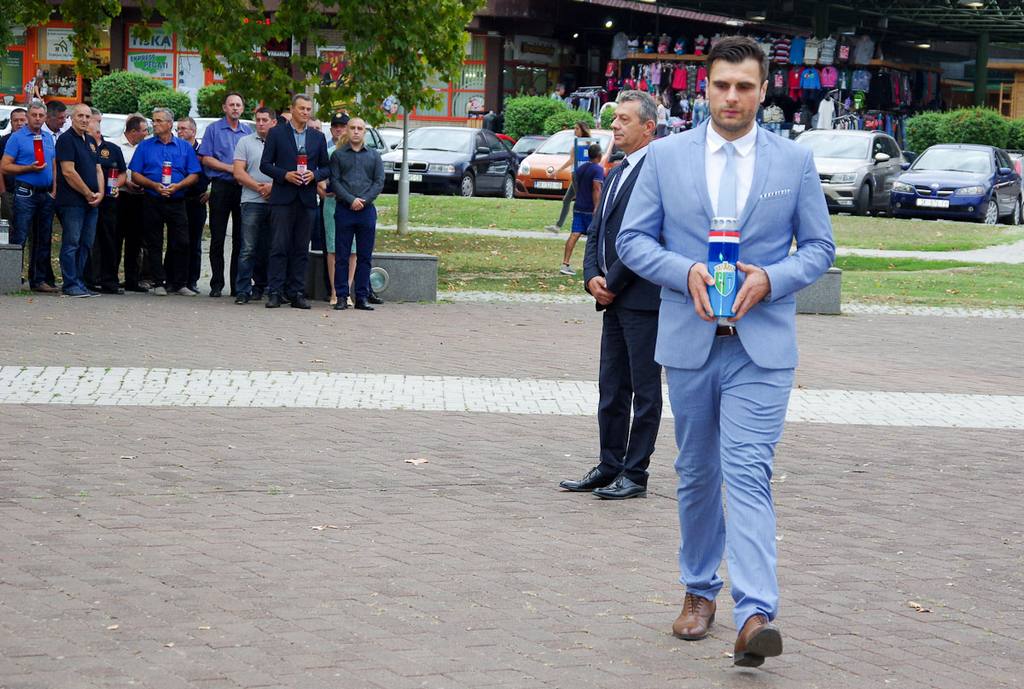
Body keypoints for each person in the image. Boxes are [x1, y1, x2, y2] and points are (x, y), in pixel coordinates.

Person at [615, 36, 835, 668]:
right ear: (704, 89)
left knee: (747, 471)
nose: (732, 97)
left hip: (760, 349)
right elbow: (632, 240)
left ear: (763, 91)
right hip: (691, 341)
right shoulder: (665, 157)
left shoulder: (793, 162)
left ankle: (756, 614)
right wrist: (683, 270)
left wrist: (773, 278)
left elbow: (819, 249)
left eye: (744, 86)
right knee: (696, 472)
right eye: (721, 85)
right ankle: (698, 590)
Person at [561, 90, 661, 500]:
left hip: (642, 300)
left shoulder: (657, 173)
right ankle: (609, 464)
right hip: (612, 298)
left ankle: (635, 473)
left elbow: (649, 237)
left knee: (644, 391)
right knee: (612, 388)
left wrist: (612, 283)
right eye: (615, 118)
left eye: (624, 119)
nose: (615, 126)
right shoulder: (616, 170)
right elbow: (596, 229)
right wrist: (591, 278)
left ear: (648, 127)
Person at [259, 93, 330, 309]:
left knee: (301, 248)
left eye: (308, 109)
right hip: (283, 198)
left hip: (307, 199)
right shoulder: (276, 133)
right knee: (279, 246)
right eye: (302, 108)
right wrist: (285, 175)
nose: (306, 112)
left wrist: (314, 175)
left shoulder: (317, 137)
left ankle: (297, 292)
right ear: (292, 109)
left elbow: (327, 167)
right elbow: (265, 164)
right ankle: (275, 291)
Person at [128, 107, 201, 296]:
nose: (154, 124)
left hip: (177, 200)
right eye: (153, 120)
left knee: (182, 241)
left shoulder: (184, 147)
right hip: (152, 199)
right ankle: (158, 281)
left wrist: (179, 186)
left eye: (159, 121)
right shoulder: (145, 146)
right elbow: (135, 174)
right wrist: (153, 185)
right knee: (154, 242)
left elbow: (194, 174)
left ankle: (179, 282)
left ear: (170, 124)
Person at [197, 92, 251, 297]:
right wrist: (231, 168)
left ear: (242, 108)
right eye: (231, 104)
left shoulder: (247, 131)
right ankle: (216, 283)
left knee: (240, 238)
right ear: (224, 108)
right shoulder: (213, 129)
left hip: (242, 188)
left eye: (238, 105)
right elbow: (206, 158)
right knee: (218, 237)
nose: (235, 108)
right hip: (221, 186)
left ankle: (237, 285)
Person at [0, 100, 57, 292]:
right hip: (25, 193)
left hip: (45, 194)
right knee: (20, 235)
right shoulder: (17, 138)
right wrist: (28, 168)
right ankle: (12, 279)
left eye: (41, 115)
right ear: (28, 116)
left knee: (43, 237)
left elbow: (53, 164)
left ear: (45, 117)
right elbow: (5, 166)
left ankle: (38, 280)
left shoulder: (48, 137)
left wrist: (54, 190)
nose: (38, 119)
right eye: (34, 115)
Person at [329, 116, 384, 311]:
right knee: (342, 256)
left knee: (364, 256)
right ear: (347, 130)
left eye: (360, 128)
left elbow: (379, 182)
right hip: (345, 209)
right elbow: (335, 181)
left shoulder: (374, 156)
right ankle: (341, 296)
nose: (356, 131)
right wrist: (351, 200)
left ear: (365, 132)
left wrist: (364, 200)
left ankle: (362, 297)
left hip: (366, 211)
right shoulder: (338, 155)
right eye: (352, 128)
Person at [54, 103, 103, 297]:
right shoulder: (66, 140)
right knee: (72, 243)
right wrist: (87, 192)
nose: (84, 120)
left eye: (87, 116)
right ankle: (70, 283)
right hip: (72, 202)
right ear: (71, 118)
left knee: (86, 243)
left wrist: (100, 193)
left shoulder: (90, 140)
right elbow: (68, 172)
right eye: (80, 116)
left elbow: (98, 169)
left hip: (92, 202)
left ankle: (79, 282)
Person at [232, 106, 276, 304]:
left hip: (276, 201)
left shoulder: (282, 142)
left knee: (271, 247)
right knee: (248, 248)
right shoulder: (245, 142)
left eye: (264, 120)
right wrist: (260, 188)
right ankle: (243, 290)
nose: (260, 123)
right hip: (251, 201)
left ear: (273, 122)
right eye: (258, 120)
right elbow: (238, 172)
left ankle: (265, 287)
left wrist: (273, 187)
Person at [86, 108, 127, 294]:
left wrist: (115, 186)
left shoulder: (112, 149)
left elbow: (123, 173)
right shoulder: (83, 148)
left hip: (109, 202)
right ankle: (89, 279)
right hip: (88, 199)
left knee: (109, 240)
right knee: (89, 240)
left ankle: (109, 280)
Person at [176, 117, 210, 295]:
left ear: (193, 131)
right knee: (177, 241)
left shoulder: (203, 151)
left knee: (194, 242)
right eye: (178, 129)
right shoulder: (176, 149)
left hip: (197, 200)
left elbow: (213, 172)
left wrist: (211, 190)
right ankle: (175, 278)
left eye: (183, 128)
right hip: (177, 199)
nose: (180, 132)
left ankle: (192, 280)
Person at [559, 142, 603, 275]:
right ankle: (593, 265)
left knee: (574, 234)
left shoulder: (581, 168)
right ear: (599, 156)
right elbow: (596, 188)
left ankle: (565, 263)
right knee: (594, 237)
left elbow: (575, 182)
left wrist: (579, 195)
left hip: (578, 206)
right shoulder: (597, 169)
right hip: (590, 208)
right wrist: (597, 207)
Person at [117, 115, 150, 292]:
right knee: (116, 238)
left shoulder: (144, 147)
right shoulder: (116, 146)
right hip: (121, 197)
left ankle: (132, 279)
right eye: (144, 130)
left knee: (135, 240)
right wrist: (126, 182)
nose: (146, 133)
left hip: (140, 198)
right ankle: (110, 277)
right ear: (133, 131)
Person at [321, 112, 351, 306]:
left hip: (354, 205)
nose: (339, 130)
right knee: (332, 248)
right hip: (332, 203)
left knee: (353, 250)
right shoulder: (328, 151)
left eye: (343, 126)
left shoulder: (361, 152)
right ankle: (335, 291)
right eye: (335, 126)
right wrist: (324, 190)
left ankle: (346, 291)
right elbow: (321, 177)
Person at [545, 121, 591, 234]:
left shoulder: (581, 144)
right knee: (567, 200)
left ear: (582, 130)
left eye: (577, 128)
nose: (575, 130)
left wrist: (557, 172)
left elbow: (572, 160)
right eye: (574, 128)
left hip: (577, 174)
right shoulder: (586, 143)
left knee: (580, 201)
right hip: (579, 174)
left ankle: (582, 227)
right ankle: (558, 226)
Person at [0, 107, 28, 221]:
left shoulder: (35, 140)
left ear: (27, 121)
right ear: (11, 122)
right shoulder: (4, 141)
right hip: (10, 192)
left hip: (30, 193)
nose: (19, 123)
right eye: (16, 120)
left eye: (22, 120)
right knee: (9, 226)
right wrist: (3, 192)